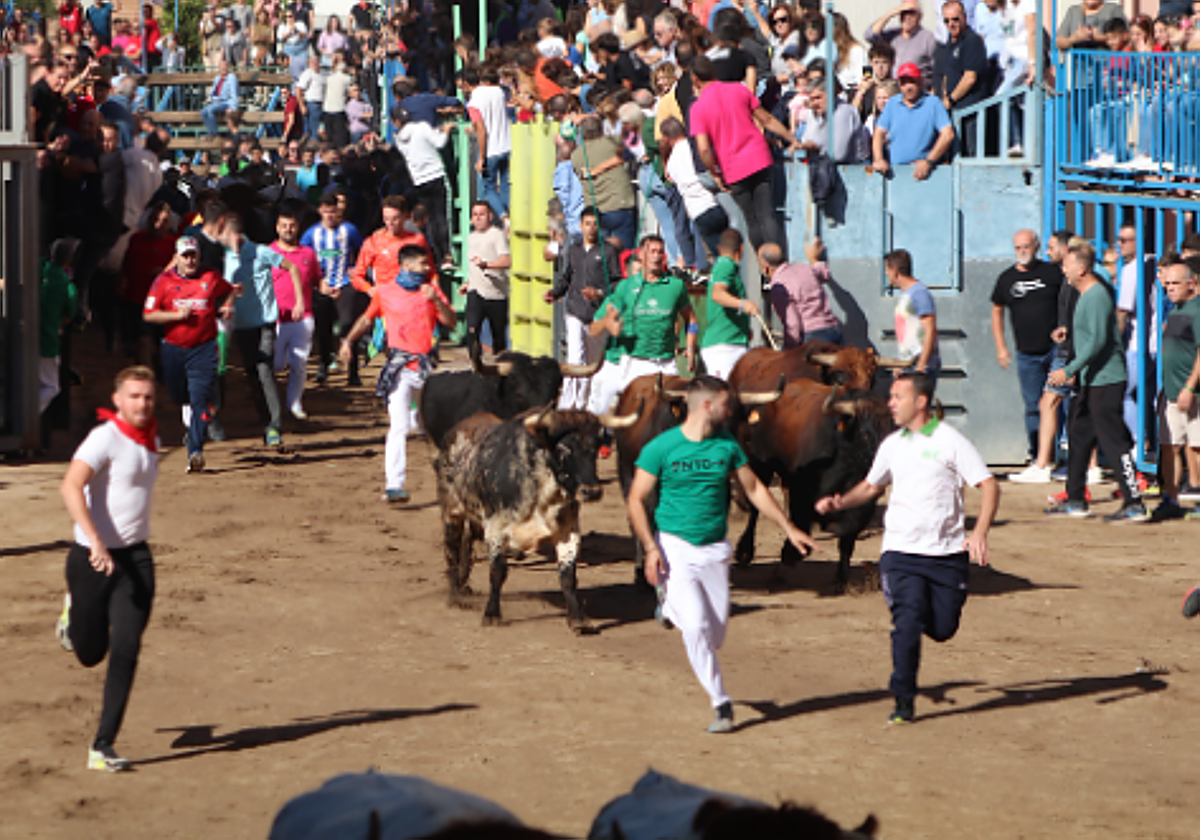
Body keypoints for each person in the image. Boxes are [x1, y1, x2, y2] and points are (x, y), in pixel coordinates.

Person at [628, 376, 816, 732]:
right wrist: (651, 549)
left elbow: (754, 488)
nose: (733, 411)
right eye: (727, 404)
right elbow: (636, 498)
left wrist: (788, 527)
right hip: (674, 547)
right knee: (697, 627)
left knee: (715, 636)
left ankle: (668, 607)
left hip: (715, 549)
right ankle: (721, 704)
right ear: (707, 406)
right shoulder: (661, 447)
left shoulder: (727, 445)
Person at [815, 372, 998, 724]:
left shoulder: (950, 441)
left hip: (946, 555)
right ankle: (903, 699)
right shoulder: (892, 444)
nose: (891, 403)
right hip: (900, 552)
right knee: (908, 620)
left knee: (943, 628)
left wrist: (980, 534)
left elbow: (988, 485)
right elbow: (871, 487)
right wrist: (841, 502)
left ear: (921, 401)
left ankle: (914, 617)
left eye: (898, 397)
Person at [56, 366, 162, 771]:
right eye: (134, 396)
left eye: (148, 397)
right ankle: (73, 614)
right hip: (90, 560)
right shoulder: (104, 438)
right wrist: (95, 540)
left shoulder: (152, 436)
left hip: (135, 560)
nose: (142, 403)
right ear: (118, 400)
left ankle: (102, 746)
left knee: (127, 648)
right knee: (89, 653)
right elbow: (69, 485)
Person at [339, 245, 456, 503]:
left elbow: (451, 322)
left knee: (430, 426)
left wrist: (436, 300)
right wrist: (348, 341)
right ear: (407, 266)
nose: (427, 268)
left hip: (426, 369)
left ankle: (450, 481)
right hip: (400, 369)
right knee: (399, 427)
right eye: (423, 264)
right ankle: (394, 483)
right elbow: (367, 319)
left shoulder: (432, 291)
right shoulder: (385, 292)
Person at [1046, 238, 1148, 522]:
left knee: (1112, 440)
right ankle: (1075, 498)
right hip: (1092, 380)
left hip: (1106, 380)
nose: (1063, 271)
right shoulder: (1087, 296)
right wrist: (1070, 333)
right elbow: (1091, 335)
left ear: (1081, 269)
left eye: (1066, 266)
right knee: (1079, 436)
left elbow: (1099, 342)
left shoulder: (1096, 295)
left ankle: (1134, 503)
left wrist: (1069, 369)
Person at [141, 236, 235, 472]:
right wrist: (175, 317)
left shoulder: (210, 277)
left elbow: (229, 289)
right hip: (173, 348)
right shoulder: (163, 281)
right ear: (177, 257)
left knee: (200, 399)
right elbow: (149, 314)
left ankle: (195, 450)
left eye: (193, 254)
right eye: (185, 255)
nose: (190, 260)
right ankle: (190, 423)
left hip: (203, 348)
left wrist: (227, 305)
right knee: (179, 396)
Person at [689, 56, 800, 252]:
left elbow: (704, 149)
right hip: (759, 157)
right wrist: (792, 139)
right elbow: (766, 119)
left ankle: (764, 270)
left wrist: (714, 173)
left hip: (733, 169)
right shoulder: (738, 89)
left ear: (695, 79)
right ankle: (778, 263)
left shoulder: (698, 108)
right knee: (767, 213)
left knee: (752, 219)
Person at [222, 213, 303, 447]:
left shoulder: (260, 251)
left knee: (263, 367)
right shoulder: (225, 256)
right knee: (251, 372)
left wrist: (299, 302)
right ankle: (266, 419)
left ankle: (274, 426)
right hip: (241, 323)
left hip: (265, 321)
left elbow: (292, 268)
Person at [991, 229, 1064, 477]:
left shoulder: (1052, 273)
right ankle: (1038, 457)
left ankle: (1058, 455)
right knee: (1033, 406)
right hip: (1026, 354)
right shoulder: (1006, 279)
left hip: (1055, 350)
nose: (1022, 251)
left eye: (1026, 246)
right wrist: (1001, 346)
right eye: (1018, 247)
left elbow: (1068, 300)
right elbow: (997, 310)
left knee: (1055, 401)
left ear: (1036, 246)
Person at [544, 207, 620, 411]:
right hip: (575, 310)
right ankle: (568, 405)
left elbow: (617, 282)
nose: (591, 228)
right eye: (587, 224)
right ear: (580, 226)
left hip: (597, 314)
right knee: (575, 357)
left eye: (595, 224)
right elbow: (567, 277)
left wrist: (599, 293)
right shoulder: (574, 250)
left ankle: (586, 403)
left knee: (593, 361)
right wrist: (555, 292)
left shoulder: (608, 251)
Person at [593, 235, 697, 382]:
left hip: (667, 363)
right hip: (635, 363)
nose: (656, 256)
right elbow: (601, 324)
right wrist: (609, 324)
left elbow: (691, 320)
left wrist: (690, 348)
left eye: (660, 252)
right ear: (642, 254)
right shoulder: (626, 286)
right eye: (652, 251)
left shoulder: (676, 286)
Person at [1153, 259, 1200, 519]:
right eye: (1167, 283)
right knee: (1169, 445)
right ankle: (1170, 499)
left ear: (1191, 283)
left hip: (1191, 394)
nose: (1169, 288)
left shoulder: (1197, 310)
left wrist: (1190, 388)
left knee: (1197, 447)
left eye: (1175, 283)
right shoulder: (1175, 310)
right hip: (1171, 393)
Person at [301, 192, 364, 385]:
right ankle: (323, 364)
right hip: (322, 286)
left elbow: (362, 251)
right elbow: (302, 255)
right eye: (326, 211)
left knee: (348, 325)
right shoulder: (312, 233)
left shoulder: (349, 230)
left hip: (345, 284)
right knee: (323, 329)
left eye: (333, 212)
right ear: (320, 211)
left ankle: (353, 371)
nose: (329, 216)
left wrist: (357, 270)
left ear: (338, 211)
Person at [270, 204, 321, 421]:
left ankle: (295, 404)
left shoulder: (308, 253)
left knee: (299, 363)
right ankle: (272, 401)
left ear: (298, 227)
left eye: (292, 226)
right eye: (284, 226)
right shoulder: (268, 253)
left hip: (304, 316)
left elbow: (318, 280)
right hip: (276, 318)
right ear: (277, 228)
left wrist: (330, 289)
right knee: (277, 364)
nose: (288, 229)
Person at [392, 106, 453, 268]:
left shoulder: (398, 138)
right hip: (435, 175)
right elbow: (440, 143)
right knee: (441, 215)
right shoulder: (422, 127)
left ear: (396, 122)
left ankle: (439, 256)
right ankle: (447, 254)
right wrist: (445, 130)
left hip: (419, 180)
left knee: (430, 218)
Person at [660, 117, 727, 263]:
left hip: (698, 212)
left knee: (720, 257)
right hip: (716, 204)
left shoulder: (671, 164)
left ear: (666, 139)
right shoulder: (695, 146)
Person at [872, 62, 955, 179]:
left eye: (912, 81)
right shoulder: (893, 103)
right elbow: (879, 132)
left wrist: (928, 162)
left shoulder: (933, 103)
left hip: (927, 174)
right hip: (896, 173)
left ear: (920, 82)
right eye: (903, 83)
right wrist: (879, 159)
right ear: (899, 85)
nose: (908, 87)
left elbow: (948, 134)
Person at [571, 115, 639, 251]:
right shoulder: (614, 143)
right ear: (602, 129)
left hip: (596, 210)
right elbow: (635, 142)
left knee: (602, 255)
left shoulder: (576, 155)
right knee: (625, 253)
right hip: (620, 204)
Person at [760, 239, 842, 347]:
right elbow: (824, 273)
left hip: (812, 336)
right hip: (833, 330)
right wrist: (815, 259)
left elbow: (793, 324)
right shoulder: (805, 269)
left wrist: (789, 350)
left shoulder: (778, 287)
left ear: (766, 268)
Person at [700, 229, 755, 380]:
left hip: (733, 342)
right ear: (742, 249)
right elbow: (717, 294)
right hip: (724, 348)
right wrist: (744, 304)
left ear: (719, 248)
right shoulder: (726, 265)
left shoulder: (727, 268)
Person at [460, 67, 512, 222]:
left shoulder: (473, 103)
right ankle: (510, 215)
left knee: (488, 187)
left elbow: (482, 131)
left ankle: (504, 218)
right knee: (505, 185)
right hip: (507, 145)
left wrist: (481, 157)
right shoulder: (497, 92)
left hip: (491, 150)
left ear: (466, 84)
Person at [463, 202, 512, 356]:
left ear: (490, 216)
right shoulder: (470, 237)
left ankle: (500, 369)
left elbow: (507, 261)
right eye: (475, 215)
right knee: (472, 329)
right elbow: (473, 267)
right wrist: (467, 283)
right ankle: (475, 365)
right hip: (475, 291)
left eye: (481, 214)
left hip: (495, 293)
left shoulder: (496, 235)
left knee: (498, 336)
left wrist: (487, 265)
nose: (478, 218)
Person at [40, 239, 80, 415]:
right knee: (52, 387)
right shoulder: (67, 285)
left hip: (18, 335)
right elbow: (68, 316)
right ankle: (24, 416)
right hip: (46, 342)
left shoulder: (38, 268)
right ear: (70, 259)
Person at [886, 249, 940, 375]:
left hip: (920, 366)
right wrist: (901, 364)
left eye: (887, 270)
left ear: (895, 272)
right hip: (909, 365)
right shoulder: (907, 294)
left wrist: (921, 365)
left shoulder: (919, 293)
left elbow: (930, 330)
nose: (886, 273)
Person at [865, 0, 939, 82]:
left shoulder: (928, 38)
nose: (907, 17)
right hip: (891, 89)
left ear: (920, 16)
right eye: (903, 13)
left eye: (912, 13)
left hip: (917, 90)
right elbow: (869, 36)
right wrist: (891, 13)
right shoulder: (892, 35)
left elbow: (938, 69)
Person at [1056, 0, 1127, 49]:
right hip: (1078, 67)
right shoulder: (1073, 11)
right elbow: (1058, 42)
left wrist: (1102, 38)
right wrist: (1074, 38)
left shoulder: (1113, 10)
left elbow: (1127, 38)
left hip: (1106, 66)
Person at [201, 59, 239, 137]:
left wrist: (233, 107)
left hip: (226, 103)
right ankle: (210, 130)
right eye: (221, 66)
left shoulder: (231, 78)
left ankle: (214, 133)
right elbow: (213, 92)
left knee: (210, 110)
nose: (223, 68)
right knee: (203, 112)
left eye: (225, 66)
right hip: (217, 102)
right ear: (219, 68)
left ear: (228, 67)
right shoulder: (217, 78)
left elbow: (234, 93)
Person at [297, 55, 326, 140]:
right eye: (312, 61)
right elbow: (298, 90)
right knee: (314, 131)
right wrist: (302, 106)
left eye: (316, 61)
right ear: (309, 63)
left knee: (321, 130)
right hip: (312, 104)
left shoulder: (324, 73)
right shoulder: (307, 73)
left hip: (323, 105)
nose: (315, 63)